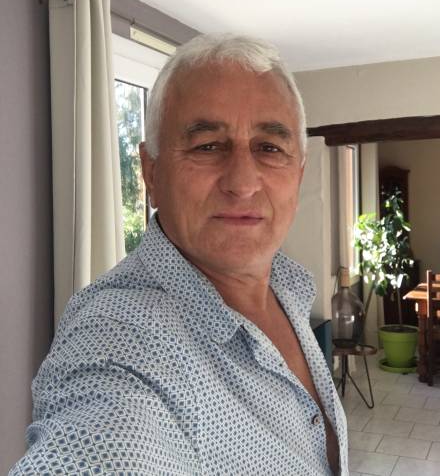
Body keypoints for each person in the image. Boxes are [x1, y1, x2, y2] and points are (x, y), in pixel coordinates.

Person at [10, 34, 348, 475]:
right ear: (151, 173)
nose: (243, 182)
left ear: (298, 174)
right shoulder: (121, 341)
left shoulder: (290, 285)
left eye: (269, 148)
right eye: (207, 146)